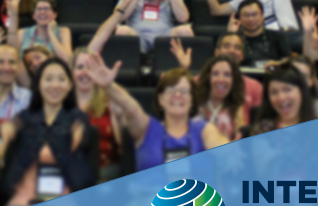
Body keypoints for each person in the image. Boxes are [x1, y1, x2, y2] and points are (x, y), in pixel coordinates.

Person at [82, 54, 228, 171]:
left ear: (192, 100)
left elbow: (219, 144)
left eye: (184, 91)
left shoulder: (203, 129)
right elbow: (131, 107)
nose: (177, 95)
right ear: (161, 99)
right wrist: (109, 87)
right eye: (171, 90)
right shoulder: (147, 128)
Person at [0, 57, 95, 206]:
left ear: (70, 85)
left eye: (61, 79)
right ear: (38, 84)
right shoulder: (27, 116)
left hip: (65, 195)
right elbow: (10, 127)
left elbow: (81, 132)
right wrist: (6, 134)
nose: (55, 85)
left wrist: (76, 136)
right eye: (48, 79)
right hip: (25, 194)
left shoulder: (76, 116)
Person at [70, 48, 122, 180]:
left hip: (105, 174)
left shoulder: (110, 101)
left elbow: (121, 141)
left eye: (90, 67)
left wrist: (109, 86)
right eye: (80, 67)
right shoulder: (62, 104)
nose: (84, 72)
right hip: (69, 173)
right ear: (71, 72)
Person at [250, 61, 318, 134]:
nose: (281, 97)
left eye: (287, 89)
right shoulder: (263, 130)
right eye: (274, 92)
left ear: (301, 91)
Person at [8, 0, 73, 62]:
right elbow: (10, 57)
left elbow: (68, 60)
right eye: (38, 9)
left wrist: (50, 33)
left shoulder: (63, 31)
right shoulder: (22, 33)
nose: (42, 12)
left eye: (46, 9)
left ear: (55, 15)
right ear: (33, 15)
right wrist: (13, 14)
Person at [231, 0, 291, 67]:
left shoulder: (276, 35)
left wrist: (278, 63)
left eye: (254, 14)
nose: (251, 19)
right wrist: (231, 35)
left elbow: (288, 59)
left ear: (262, 17)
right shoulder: (235, 38)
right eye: (246, 15)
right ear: (239, 18)